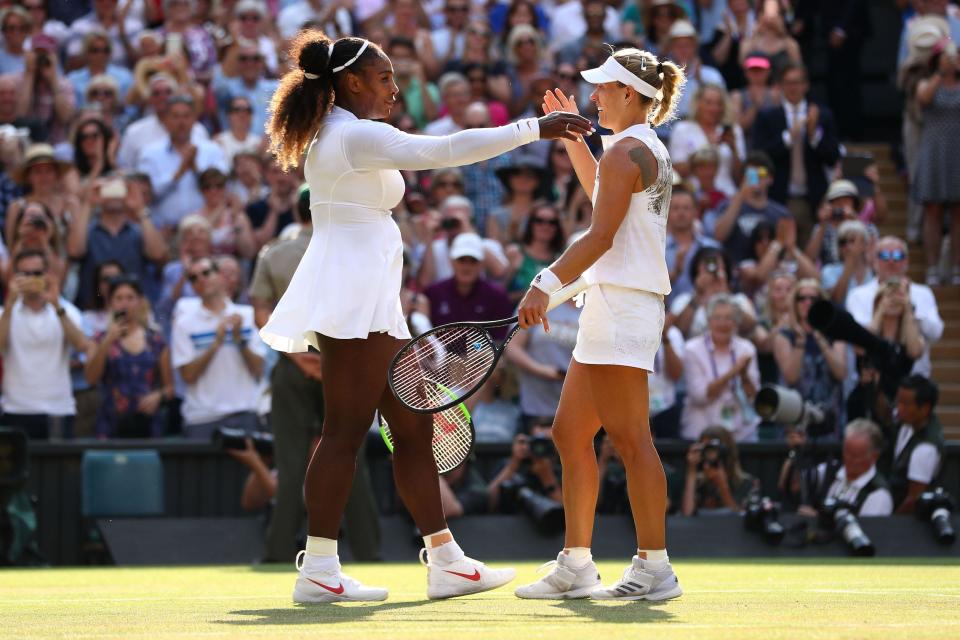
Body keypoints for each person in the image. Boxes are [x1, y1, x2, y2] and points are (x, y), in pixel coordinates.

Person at [257, 31, 591, 603]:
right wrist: (535, 129)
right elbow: (444, 150)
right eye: (385, 78)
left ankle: (446, 560)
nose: (395, 89)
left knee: (413, 429)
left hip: (372, 299)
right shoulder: (354, 135)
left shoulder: (345, 132)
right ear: (352, 82)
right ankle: (317, 570)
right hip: (354, 299)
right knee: (342, 434)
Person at [514, 47, 685, 601]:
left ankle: (654, 567)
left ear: (629, 94)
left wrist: (545, 284)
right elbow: (603, 201)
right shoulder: (635, 149)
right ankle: (578, 564)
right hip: (614, 303)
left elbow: (601, 235)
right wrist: (572, 139)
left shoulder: (626, 153)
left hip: (624, 306)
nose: (594, 96)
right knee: (569, 432)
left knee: (632, 441)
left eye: (602, 88)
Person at [250, 185, 380, 564]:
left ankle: (277, 552)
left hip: (293, 367)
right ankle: (369, 552)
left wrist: (294, 354)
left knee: (290, 466)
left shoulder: (274, 253)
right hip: (341, 366)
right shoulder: (354, 252)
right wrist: (334, 360)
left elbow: (261, 313)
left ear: (296, 211)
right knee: (349, 459)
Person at [171, 256, 265, 440]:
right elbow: (187, 375)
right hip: (201, 417)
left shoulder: (247, 316)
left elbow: (258, 368)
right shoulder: (183, 323)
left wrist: (239, 340)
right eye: (193, 277)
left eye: (206, 273)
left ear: (220, 276)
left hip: (244, 411)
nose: (200, 279)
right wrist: (215, 344)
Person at [0, 249, 89, 439]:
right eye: (25, 274)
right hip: (16, 408)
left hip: (57, 408)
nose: (31, 279)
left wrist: (56, 305)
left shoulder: (66, 310)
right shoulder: (4, 313)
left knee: (59, 469)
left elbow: (82, 345)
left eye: (37, 273)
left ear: (48, 275)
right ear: (14, 277)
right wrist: (9, 305)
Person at [751, 62, 840, 243]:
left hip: (813, 199)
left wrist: (814, 134)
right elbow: (758, 157)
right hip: (778, 198)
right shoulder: (768, 116)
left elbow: (832, 157)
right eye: (788, 82)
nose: (793, 87)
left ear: (806, 85)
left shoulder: (823, 115)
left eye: (797, 82)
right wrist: (788, 138)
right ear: (781, 85)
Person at [84, 275, 173, 438]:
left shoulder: (155, 340)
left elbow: (170, 388)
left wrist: (158, 396)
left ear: (140, 301)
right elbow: (90, 378)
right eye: (119, 298)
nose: (125, 303)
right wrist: (107, 342)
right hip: (111, 421)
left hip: (146, 421)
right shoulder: (98, 339)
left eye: (130, 298)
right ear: (111, 303)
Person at [847, 237, 943, 377]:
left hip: (915, 379)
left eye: (898, 256)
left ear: (907, 261)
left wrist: (910, 308)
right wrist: (881, 309)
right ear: (874, 262)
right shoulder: (858, 295)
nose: (891, 261)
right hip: (874, 377)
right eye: (884, 256)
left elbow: (936, 333)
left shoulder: (923, 293)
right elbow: (859, 341)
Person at [772, 279, 847, 439]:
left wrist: (820, 337)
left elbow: (841, 373)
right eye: (802, 298)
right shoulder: (784, 336)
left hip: (829, 420)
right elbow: (791, 377)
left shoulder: (834, 334)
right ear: (795, 303)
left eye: (813, 299)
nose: (808, 303)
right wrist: (800, 341)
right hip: (794, 420)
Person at [681, 294, 761, 442]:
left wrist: (743, 376)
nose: (723, 323)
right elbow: (699, 396)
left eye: (728, 318)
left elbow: (754, 398)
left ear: (736, 322)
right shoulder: (692, 349)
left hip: (741, 434)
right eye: (717, 318)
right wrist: (733, 372)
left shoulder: (747, 349)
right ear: (709, 321)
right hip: (702, 432)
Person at [913, 40, 960, 285]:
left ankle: (956, 268)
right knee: (932, 210)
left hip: (958, 151)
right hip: (934, 151)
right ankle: (931, 267)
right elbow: (924, 99)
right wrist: (942, 74)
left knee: (958, 212)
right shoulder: (925, 82)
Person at [803, 419, 893, 518]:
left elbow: (866, 531)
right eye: (846, 452)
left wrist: (817, 519)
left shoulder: (878, 495)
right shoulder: (832, 470)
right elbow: (800, 479)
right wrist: (798, 451)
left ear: (874, 457)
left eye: (856, 455)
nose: (849, 459)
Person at [888, 375, 944, 515]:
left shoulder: (925, 449)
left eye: (905, 404)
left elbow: (913, 500)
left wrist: (888, 522)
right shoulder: (909, 420)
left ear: (924, 409)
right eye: (898, 401)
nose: (898, 408)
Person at [682, 425, 756, 516]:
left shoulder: (748, 483)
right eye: (705, 449)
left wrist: (722, 485)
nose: (708, 455)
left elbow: (739, 519)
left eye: (712, 449)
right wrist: (691, 472)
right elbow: (687, 515)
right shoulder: (697, 482)